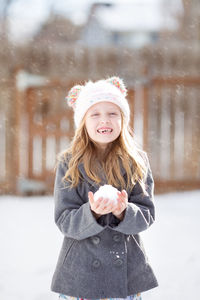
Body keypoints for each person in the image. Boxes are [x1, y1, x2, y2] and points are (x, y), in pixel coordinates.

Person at [51, 77, 158, 300]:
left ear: (123, 119)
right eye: (95, 114)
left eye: (112, 113)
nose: (104, 121)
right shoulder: (68, 163)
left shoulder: (136, 161)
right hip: (81, 276)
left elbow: (146, 214)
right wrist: (92, 213)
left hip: (125, 275)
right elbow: (64, 219)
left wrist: (123, 212)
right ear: (83, 122)